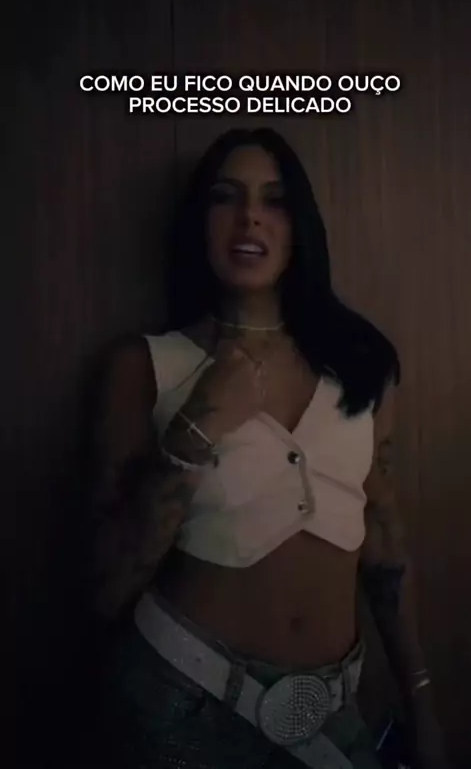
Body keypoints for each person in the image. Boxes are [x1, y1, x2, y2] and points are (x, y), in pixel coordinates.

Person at [92, 128, 448, 768]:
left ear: (300, 224)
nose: (249, 216)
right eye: (225, 196)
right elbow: (105, 584)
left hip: (331, 718)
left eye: (274, 199)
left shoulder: (362, 367)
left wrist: (421, 702)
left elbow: (385, 540)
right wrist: (198, 423)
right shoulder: (144, 366)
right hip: (180, 703)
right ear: (199, 222)